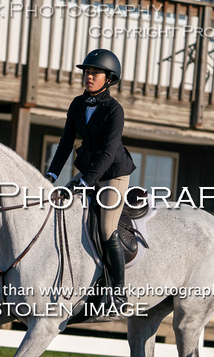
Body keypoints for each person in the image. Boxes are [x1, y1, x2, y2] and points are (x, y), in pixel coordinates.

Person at [45, 48, 136, 310]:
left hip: (113, 174)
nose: (89, 76)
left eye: (95, 72)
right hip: (88, 171)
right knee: (61, 209)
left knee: (107, 228)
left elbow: (108, 153)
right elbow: (65, 144)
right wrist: (52, 174)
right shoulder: (77, 104)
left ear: (108, 79)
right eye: (87, 71)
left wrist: (85, 182)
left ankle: (118, 293)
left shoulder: (114, 110)